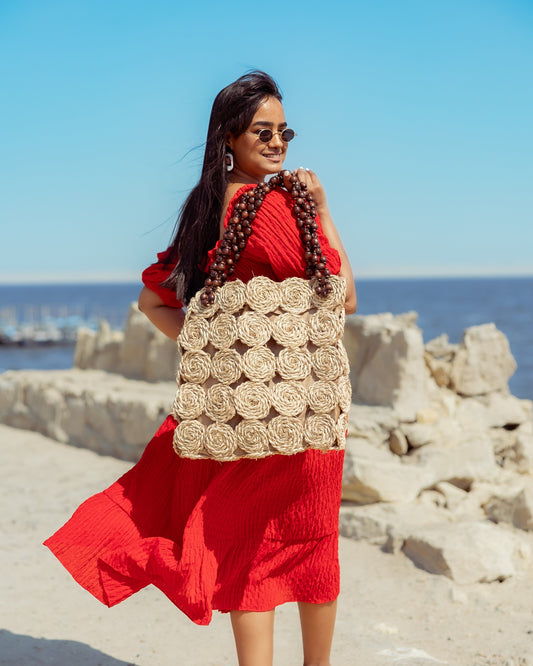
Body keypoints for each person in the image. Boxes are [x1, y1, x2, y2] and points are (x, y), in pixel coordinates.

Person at [45, 71, 356, 666]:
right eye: (261, 131)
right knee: (312, 547)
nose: (277, 141)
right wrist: (321, 207)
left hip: (241, 415)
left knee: (249, 553)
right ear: (229, 138)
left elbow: (152, 300)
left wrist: (223, 349)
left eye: (284, 130)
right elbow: (343, 297)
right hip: (306, 409)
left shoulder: (207, 209)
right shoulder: (274, 205)